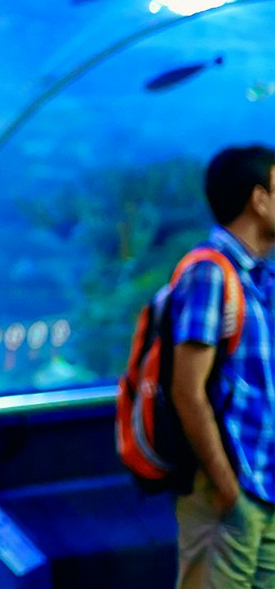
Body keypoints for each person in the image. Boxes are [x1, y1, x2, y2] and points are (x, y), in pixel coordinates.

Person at [171, 144, 275, 588]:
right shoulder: (210, 272)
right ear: (259, 199)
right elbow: (187, 390)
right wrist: (227, 488)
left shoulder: (262, 279)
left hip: (266, 489)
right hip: (228, 492)